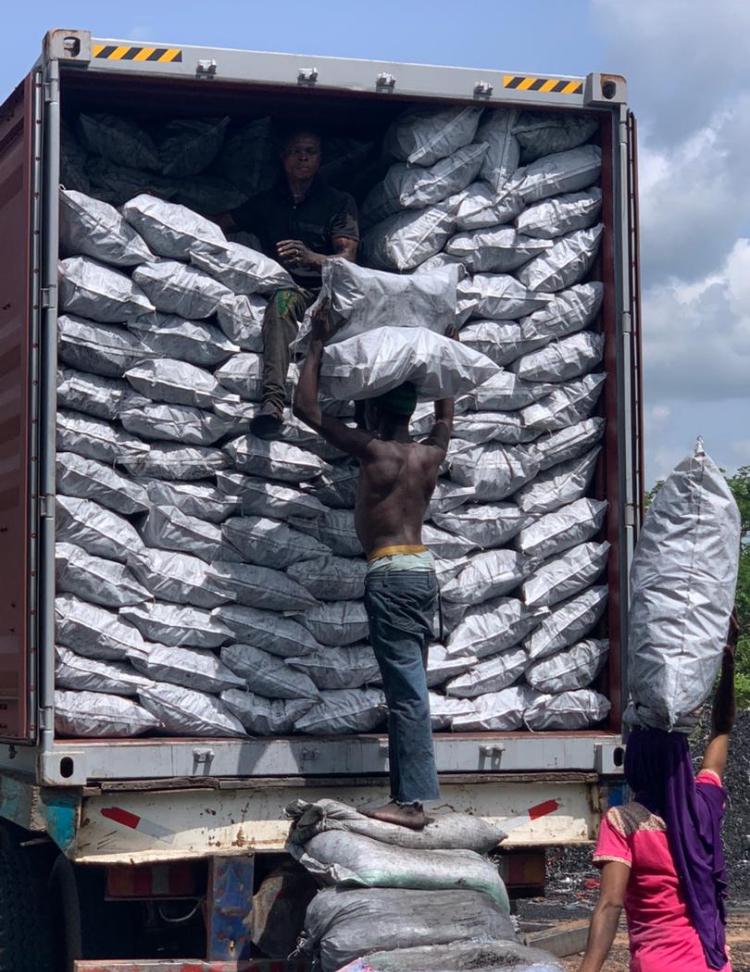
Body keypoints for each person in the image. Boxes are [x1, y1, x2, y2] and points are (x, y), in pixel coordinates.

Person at [293, 301, 455, 830]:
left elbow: (308, 411)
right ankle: (410, 794)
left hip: (388, 572)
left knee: (405, 691)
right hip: (424, 571)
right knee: (411, 685)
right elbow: (446, 416)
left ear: (377, 413)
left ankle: (412, 803)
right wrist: (443, 355)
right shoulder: (429, 456)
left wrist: (316, 345)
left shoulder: (375, 453)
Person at [579, 616, 738, 972]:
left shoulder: (623, 822)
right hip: (713, 962)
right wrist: (727, 660)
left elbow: (610, 904)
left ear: (637, 762)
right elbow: (722, 730)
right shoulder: (704, 806)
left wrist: (587, 969)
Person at [228, 128, 359, 438]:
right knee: (281, 304)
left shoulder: (337, 202)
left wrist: (311, 257)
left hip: (330, 290)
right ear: (283, 158)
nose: (303, 157)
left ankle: (362, 419)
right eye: (297, 151)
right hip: (291, 289)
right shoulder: (267, 203)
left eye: (311, 151)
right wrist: (168, 208)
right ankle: (272, 403)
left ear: (320, 159)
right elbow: (224, 221)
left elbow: (348, 258)